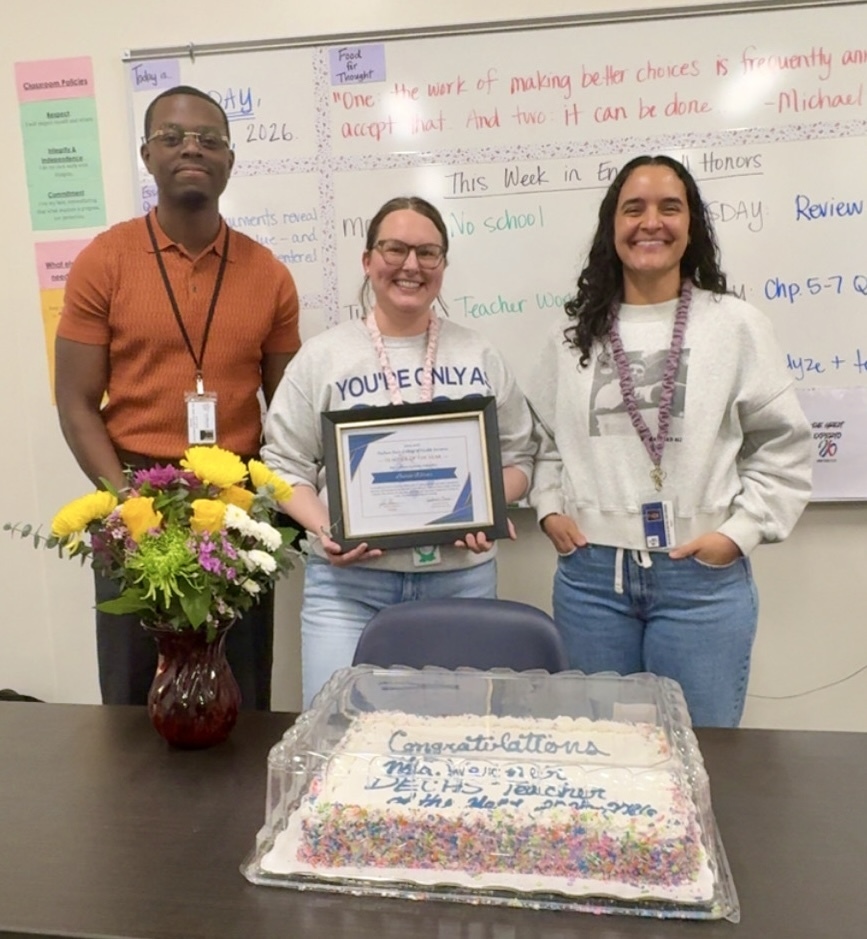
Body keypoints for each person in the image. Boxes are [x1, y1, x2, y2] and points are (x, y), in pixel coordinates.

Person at [528, 155, 812, 727]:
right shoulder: (572, 338)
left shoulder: (734, 325)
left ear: (692, 226)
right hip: (592, 581)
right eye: (634, 208)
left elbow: (783, 446)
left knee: (702, 755)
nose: (650, 222)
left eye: (669, 207)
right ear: (613, 226)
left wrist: (739, 534)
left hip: (699, 583)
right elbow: (544, 440)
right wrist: (549, 508)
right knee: (602, 756)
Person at [55, 85, 301, 709]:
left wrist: (262, 506)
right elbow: (76, 402)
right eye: (172, 136)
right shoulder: (103, 262)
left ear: (229, 160)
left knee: (237, 687)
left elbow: (290, 416)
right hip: (133, 495)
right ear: (147, 154)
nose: (191, 148)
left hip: (235, 505)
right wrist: (125, 505)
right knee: (138, 694)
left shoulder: (268, 273)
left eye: (209, 139)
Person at [262, 195, 535, 707]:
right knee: (337, 732)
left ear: (443, 266)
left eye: (428, 253)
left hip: (460, 583)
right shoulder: (323, 357)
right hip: (348, 590)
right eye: (395, 249)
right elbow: (280, 465)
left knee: (455, 736)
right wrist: (327, 529)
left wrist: (490, 505)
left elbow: (520, 457)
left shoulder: (480, 354)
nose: (411, 265)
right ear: (368, 261)